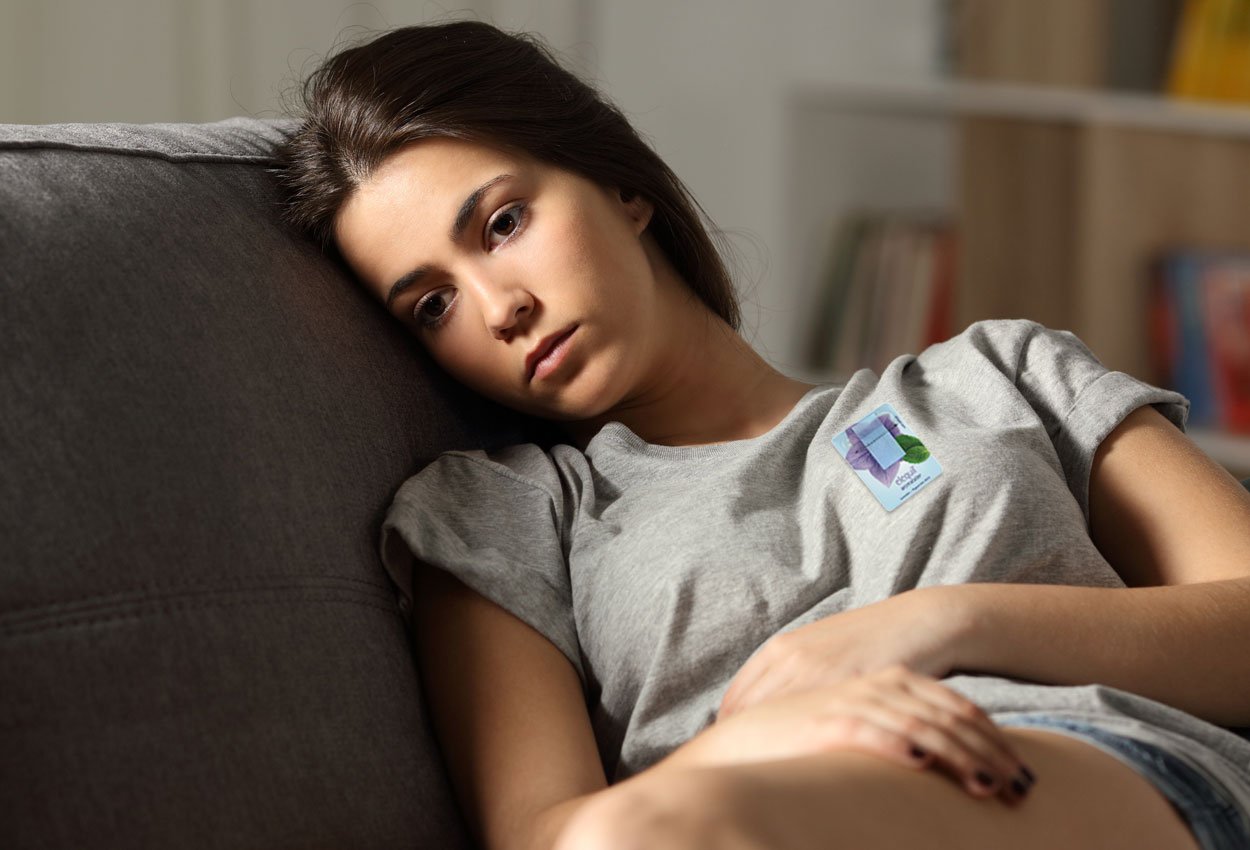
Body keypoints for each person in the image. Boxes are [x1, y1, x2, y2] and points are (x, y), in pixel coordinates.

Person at [275, 19, 1250, 850]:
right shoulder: (507, 508)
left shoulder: (999, 373)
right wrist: (768, 731)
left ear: (620, 187)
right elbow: (547, 832)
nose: (500, 306)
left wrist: (941, 623)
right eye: (433, 303)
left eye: (501, 222)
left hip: (1084, 773)